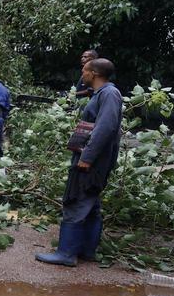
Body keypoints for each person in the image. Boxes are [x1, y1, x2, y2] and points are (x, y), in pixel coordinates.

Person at [36, 57, 123, 266]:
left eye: (84, 70)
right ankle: (86, 250)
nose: (82, 74)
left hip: (92, 161)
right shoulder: (103, 93)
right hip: (94, 159)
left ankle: (66, 253)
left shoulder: (109, 94)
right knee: (91, 203)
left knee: (76, 199)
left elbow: (106, 128)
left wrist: (87, 157)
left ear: (94, 73)